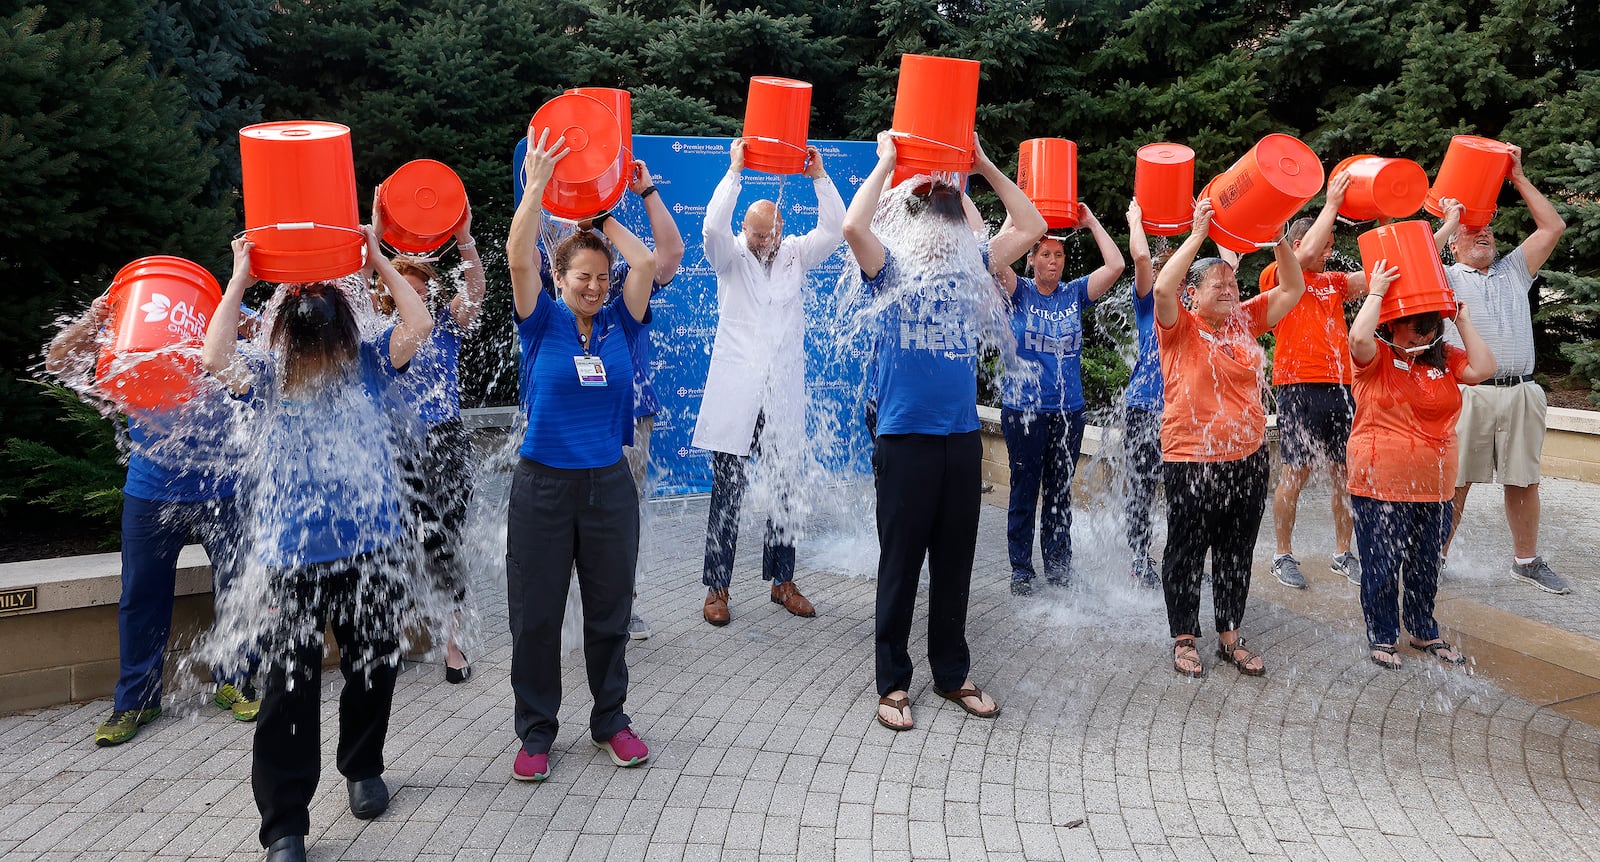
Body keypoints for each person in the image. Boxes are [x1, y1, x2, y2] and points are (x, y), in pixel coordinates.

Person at [203, 218, 434, 862]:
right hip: (291, 557)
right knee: (288, 688)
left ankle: (362, 767)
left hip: (372, 547)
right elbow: (213, 357)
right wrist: (242, 276)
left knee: (372, 664)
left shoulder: (367, 362)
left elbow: (417, 325)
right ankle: (285, 825)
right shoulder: (266, 375)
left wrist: (378, 259)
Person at [843, 131, 1045, 731]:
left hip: (959, 440)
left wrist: (982, 163)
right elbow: (855, 228)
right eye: (934, 223)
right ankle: (892, 681)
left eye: (951, 224)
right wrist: (885, 162)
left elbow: (1030, 225)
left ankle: (952, 672)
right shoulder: (889, 272)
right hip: (903, 439)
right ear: (914, 229)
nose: (944, 234)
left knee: (955, 563)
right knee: (901, 563)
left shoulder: (975, 272)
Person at [505, 128, 656, 783]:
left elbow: (645, 264)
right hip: (541, 486)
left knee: (609, 611)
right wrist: (538, 189)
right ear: (559, 279)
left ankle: (610, 721)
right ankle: (537, 731)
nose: (594, 285)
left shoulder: (622, 316)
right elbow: (517, 257)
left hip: (607, 486)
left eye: (600, 277)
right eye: (581, 277)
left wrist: (601, 217)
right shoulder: (541, 321)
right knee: (535, 616)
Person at [45, 298, 259, 746]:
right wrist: (99, 315)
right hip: (150, 491)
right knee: (141, 595)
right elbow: (58, 359)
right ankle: (136, 701)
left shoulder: (223, 325)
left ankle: (236, 680)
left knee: (239, 588)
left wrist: (239, 313)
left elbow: (274, 355)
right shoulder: (130, 335)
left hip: (225, 488)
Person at [1264, 177, 1466, 590]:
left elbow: (1396, 267)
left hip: (1340, 387)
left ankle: (1343, 552)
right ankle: (1282, 554)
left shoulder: (1334, 284)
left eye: (1332, 244)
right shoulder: (1280, 276)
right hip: (1298, 385)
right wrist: (1333, 203)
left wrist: (1444, 227)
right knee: (1295, 471)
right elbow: (1300, 255)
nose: (1330, 250)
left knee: (1345, 472)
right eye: (1326, 243)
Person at [693, 138, 845, 625]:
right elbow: (711, 225)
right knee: (728, 492)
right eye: (758, 235)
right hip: (738, 394)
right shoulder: (729, 256)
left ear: (782, 229)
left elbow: (837, 229)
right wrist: (735, 170)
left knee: (785, 486)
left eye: (772, 234)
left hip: (781, 393)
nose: (766, 242)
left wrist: (819, 177)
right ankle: (718, 589)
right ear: (746, 230)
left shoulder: (797, 253)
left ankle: (783, 581)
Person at [1154, 199, 1307, 679]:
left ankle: (1229, 635)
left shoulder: (1245, 320)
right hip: (1191, 457)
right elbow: (1161, 286)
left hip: (1246, 457)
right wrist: (1198, 234)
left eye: (1232, 283)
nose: (1229, 289)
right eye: (1216, 284)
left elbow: (1293, 287)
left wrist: (1278, 236)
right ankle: (1184, 636)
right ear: (1193, 295)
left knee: (1237, 548)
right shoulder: (1179, 326)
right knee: (1186, 547)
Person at [539, 159, 686, 640]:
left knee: (619, 517)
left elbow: (668, 254)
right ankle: (561, 605)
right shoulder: (557, 282)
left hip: (629, 414)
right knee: (567, 516)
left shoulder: (622, 282)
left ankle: (623, 603)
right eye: (584, 273)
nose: (593, 285)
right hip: (567, 420)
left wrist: (643, 193)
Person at [1347, 261, 1495, 669]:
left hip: (1435, 484)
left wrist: (1462, 320)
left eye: (1430, 327)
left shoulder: (1444, 357)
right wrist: (1376, 291)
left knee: (1426, 564)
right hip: (1379, 481)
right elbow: (1357, 336)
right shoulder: (1374, 358)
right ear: (1393, 325)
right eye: (1416, 327)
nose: (1425, 334)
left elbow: (1485, 368)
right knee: (1381, 563)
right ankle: (1382, 635)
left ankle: (1423, 630)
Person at [1441, 144, 1570, 593]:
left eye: (1488, 230)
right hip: (1467, 393)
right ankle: (1432, 560)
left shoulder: (1515, 269)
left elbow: (1553, 225)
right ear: (1454, 242)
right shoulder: (1445, 277)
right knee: (1455, 484)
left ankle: (1527, 561)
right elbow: (1412, 259)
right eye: (1473, 231)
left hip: (1520, 392)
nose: (1485, 235)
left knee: (1523, 479)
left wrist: (1517, 176)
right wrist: (1449, 223)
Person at [374, 198, 484, 683]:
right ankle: (393, 634)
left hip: (444, 442)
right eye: (404, 292)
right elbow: (354, 284)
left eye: (420, 292)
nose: (413, 301)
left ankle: (454, 642)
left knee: (447, 541)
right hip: (394, 445)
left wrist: (464, 238)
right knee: (395, 542)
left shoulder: (446, 326)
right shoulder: (378, 332)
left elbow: (477, 289)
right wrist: (373, 238)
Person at [992, 204, 1125, 595]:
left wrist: (1091, 221)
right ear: (1030, 258)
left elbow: (1115, 266)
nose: (1053, 261)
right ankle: (1021, 568)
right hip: (1024, 410)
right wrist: (1014, 220)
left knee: (1059, 492)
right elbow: (992, 256)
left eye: (1059, 254)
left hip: (1068, 413)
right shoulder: (1019, 292)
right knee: (1024, 489)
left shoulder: (1074, 293)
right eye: (1045, 254)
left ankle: (1058, 566)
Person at [1120, 202, 1239, 589]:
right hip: (1146, 407)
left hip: (1185, 413)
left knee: (1187, 493)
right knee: (1142, 484)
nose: (1165, 273)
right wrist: (1136, 219)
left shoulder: (1198, 310)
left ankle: (1183, 556)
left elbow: (1229, 270)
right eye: (1161, 268)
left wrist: (1216, 228)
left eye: (1177, 267)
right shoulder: (1150, 304)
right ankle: (1139, 558)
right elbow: (1139, 255)